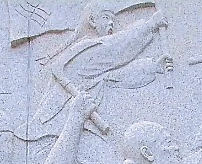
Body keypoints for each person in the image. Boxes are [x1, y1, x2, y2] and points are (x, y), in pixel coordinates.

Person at [27, 1, 171, 140]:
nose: (111, 23)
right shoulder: (84, 49)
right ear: (92, 20)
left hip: (78, 130)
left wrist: (153, 66)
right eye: (105, 17)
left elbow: (114, 77)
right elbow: (115, 49)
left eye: (113, 20)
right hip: (51, 132)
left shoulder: (98, 58)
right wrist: (150, 25)